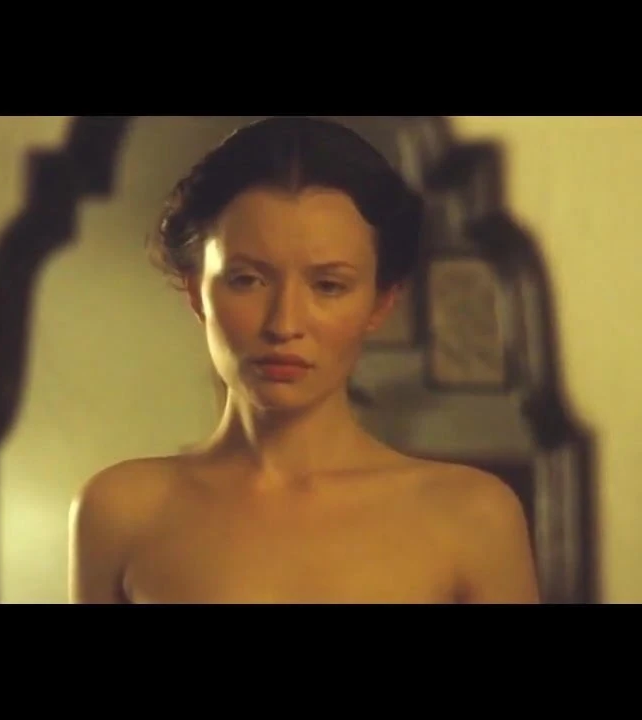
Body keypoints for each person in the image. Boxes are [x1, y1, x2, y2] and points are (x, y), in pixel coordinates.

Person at [67, 117, 539, 604]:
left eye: (328, 285)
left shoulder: (472, 517)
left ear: (380, 304)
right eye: (247, 280)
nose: (284, 323)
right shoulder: (122, 512)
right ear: (196, 291)